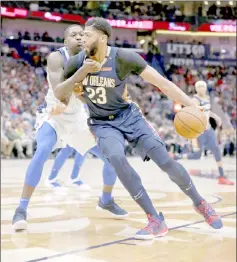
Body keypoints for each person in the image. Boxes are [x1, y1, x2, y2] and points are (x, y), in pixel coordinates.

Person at [59, 17, 222, 240]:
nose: (81, 38)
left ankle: (199, 202)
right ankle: (154, 219)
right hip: (102, 122)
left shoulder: (123, 57)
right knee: (116, 158)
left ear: (103, 38)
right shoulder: (75, 62)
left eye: (87, 34)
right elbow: (61, 93)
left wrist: (191, 104)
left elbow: (162, 83)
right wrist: (79, 77)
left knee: (165, 161)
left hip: (129, 116)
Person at [12, 24, 127, 231]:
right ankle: (21, 209)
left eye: (82, 34)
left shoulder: (93, 59)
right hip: (54, 114)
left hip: (78, 118)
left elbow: (90, 96)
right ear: (65, 42)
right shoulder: (57, 57)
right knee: (43, 151)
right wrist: (82, 72)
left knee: (113, 157)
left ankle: (106, 199)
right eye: (73, 35)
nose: (79, 37)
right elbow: (59, 93)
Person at [176, 80, 234, 185]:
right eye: (199, 87)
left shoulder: (207, 98)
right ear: (196, 88)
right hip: (199, 130)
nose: (201, 88)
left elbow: (207, 111)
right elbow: (193, 113)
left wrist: (215, 116)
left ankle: (221, 177)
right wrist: (192, 135)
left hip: (208, 128)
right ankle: (176, 157)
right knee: (197, 155)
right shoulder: (195, 100)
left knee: (216, 150)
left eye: (203, 86)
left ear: (206, 88)